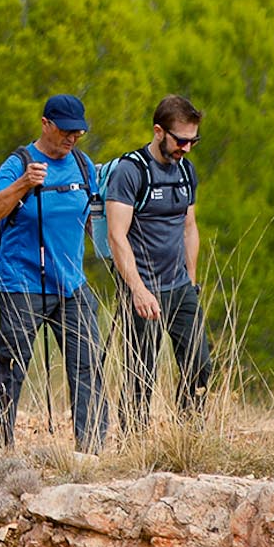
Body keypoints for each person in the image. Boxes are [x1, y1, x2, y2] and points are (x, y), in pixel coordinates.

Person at [0, 94, 109, 451]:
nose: (72, 138)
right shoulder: (19, 163)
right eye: (65, 131)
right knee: (12, 363)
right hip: (22, 282)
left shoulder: (84, 167)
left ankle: (92, 448)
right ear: (46, 124)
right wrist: (23, 184)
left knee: (87, 364)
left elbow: (94, 221)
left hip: (71, 284)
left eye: (78, 132)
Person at [105, 94, 210, 434]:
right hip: (142, 289)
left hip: (179, 286)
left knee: (200, 365)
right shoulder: (131, 171)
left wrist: (191, 281)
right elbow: (117, 236)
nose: (187, 148)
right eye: (181, 140)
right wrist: (137, 289)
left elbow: (189, 226)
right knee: (141, 373)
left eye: (194, 141)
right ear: (158, 131)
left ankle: (187, 433)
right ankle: (134, 442)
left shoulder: (185, 171)